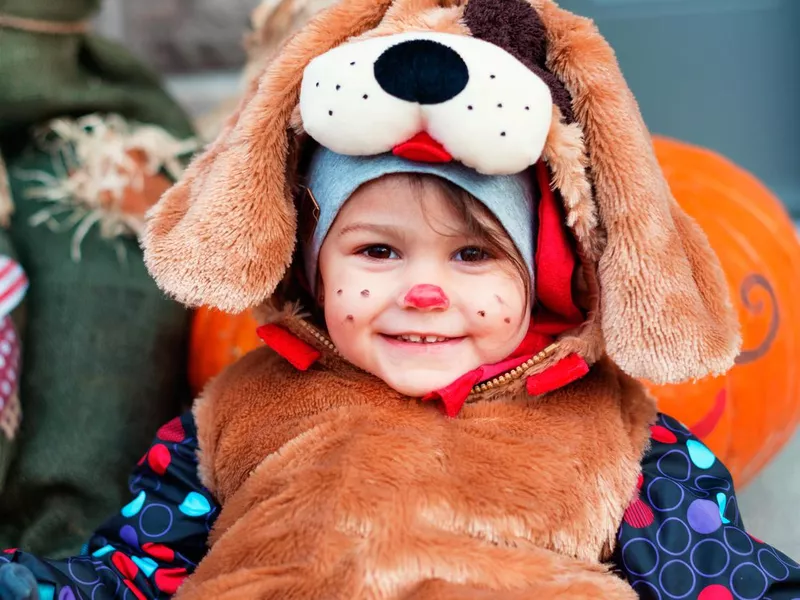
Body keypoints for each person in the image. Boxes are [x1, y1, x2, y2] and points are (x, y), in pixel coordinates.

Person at [1, 147, 799, 599]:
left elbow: (727, 583)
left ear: (543, 280)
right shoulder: (231, 418)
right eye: (377, 252)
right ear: (314, 272)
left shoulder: (627, 442)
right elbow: (128, 578)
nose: (424, 291)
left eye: (474, 254)